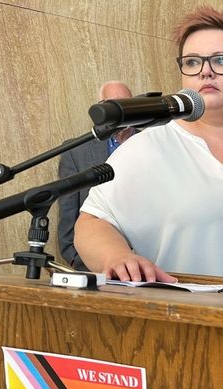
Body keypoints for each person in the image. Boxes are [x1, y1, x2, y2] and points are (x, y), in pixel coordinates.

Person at [75, 6, 223, 281]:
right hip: (193, 320)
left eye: (221, 60)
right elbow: (92, 222)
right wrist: (117, 256)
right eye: (192, 62)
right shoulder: (146, 149)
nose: (206, 72)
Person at [57, 81, 137, 270]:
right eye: (111, 104)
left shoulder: (154, 144)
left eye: (126, 103)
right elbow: (68, 208)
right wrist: (75, 258)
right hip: (94, 263)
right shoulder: (75, 151)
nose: (120, 110)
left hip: (149, 261)